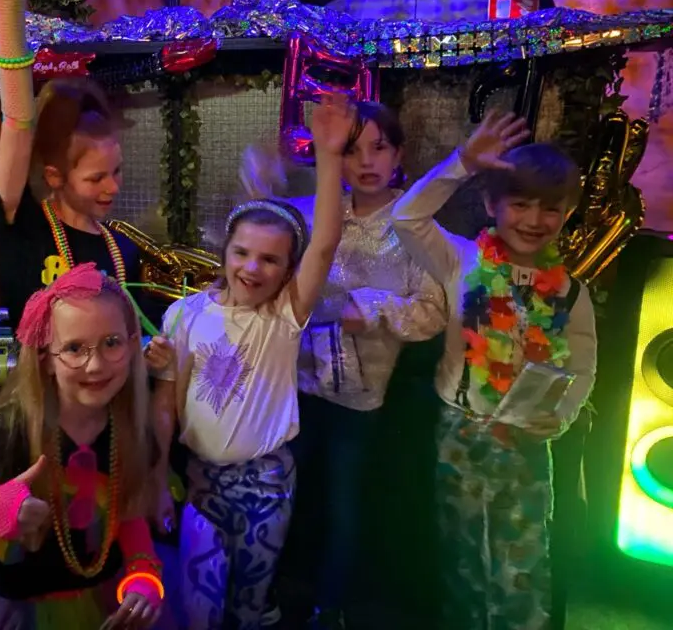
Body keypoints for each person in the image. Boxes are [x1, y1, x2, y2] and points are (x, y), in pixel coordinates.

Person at [149, 95, 355, 630]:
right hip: (200, 481)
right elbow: (165, 402)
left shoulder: (283, 317)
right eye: (242, 252)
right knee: (197, 606)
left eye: (269, 259)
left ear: (288, 270)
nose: (252, 267)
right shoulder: (184, 315)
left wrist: (329, 156)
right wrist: (157, 476)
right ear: (225, 252)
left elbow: (325, 244)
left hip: (265, 485)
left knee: (249, 606)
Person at [391, 111, 597, 630]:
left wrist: (562, 416)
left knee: (522, 563)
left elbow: (584, 366)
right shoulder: (461, 261)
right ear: (491, 205)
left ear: (567, 213)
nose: (534, 219)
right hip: (459, 432)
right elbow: (407, 218)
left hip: (527, 439)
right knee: (461, 553)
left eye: (550, 208)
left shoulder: (571, 291)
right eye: (520, 203)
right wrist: (461, 163)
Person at [243, 104, 447, 627]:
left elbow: (434, 311)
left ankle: (332, 608)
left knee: (346, 507)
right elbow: (258, 245)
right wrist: (259, 178)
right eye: (352, 150)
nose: (366, 162)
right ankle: (269, 595)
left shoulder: (413, 227)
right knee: (283, 495)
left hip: (360, 398)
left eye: (379, 147)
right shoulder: (314, 212)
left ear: (399, 154)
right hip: (294, 386)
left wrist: (375, 308)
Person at [0, 263, 167, 629]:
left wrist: (142, 577)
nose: (96, 365)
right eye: (74, 348)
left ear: (133, 345)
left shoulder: (131, 431)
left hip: (99, 603)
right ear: (45, 359)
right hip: (10, 612)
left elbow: (129, 515)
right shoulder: (9, 432)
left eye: (112, 343)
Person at [0, 0, 153, 331]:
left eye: (116, 172)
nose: (113, 187)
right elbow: (17, 123)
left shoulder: (123, 251)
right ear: (54, 176)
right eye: (96, 178)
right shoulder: (24, 223)